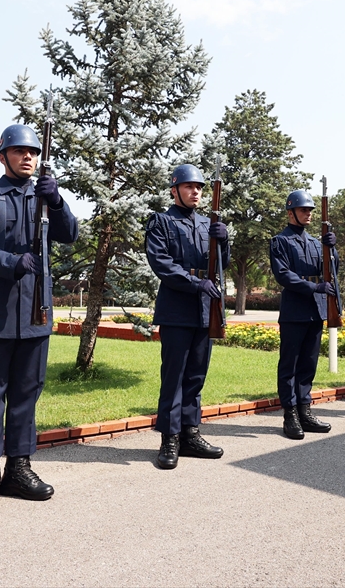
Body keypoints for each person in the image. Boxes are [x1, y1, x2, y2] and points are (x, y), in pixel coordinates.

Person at [0, 124, 79, 513]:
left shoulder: (45, 198)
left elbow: (71, 234)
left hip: (35, 312)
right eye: (19, 151)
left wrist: (57, 202)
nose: (28, 157)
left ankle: (20, 469)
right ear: (3, 156)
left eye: (32, 152)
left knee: (27, 394)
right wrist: (12, 262)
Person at [145, 164, 230, 468]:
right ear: (174, 189)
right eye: (189, 186)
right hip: (177, 308)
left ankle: (190, 434)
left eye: (199, 188)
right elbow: (162, 264)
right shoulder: (162, 222)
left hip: (205, 309)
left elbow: (220, 264)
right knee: (174, 377)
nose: (195, 192)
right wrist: (197, 283)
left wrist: (224, 241)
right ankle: (169, 438)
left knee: (196, 375)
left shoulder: (209, 223)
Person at [269, 190, 336, 439]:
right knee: (290, 365)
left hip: (315, 310)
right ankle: (290, 414)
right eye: (303, 210)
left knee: (308, 364)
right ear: (290, 213)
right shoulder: (280, 241)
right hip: (294, 309)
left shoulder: (315, 243)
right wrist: (312, 287)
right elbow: (283, 274)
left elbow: (330, 269)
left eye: (310, 210)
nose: (308, 214)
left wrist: (332, 249)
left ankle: (304, 409)